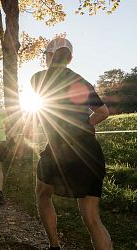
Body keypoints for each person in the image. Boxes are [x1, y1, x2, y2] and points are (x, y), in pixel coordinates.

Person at [26, 37, 112, 250]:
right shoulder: (82, 82)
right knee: (92, 218)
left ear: (48, 56)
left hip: (58, 150)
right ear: (70, 59)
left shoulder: (37, 78)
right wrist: (85, 125)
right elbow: (103, 113)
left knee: (43, 194)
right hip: (89, 152)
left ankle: (54, 246)